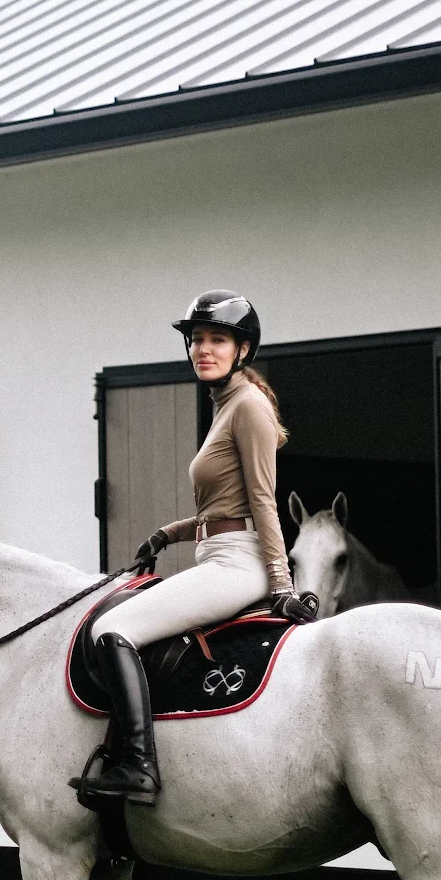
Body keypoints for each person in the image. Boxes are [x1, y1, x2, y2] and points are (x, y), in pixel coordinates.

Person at [79, 292, 317, 808]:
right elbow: (220, 508)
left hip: (238, 563)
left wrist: (281, 583)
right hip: (218, 551)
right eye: (197, 340)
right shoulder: (226, 403)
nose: (203, 349)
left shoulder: (248, 406)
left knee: (112, 630)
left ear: (243, 349)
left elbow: (261, 501)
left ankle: (138, 766)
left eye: (217, 340)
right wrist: (168, 533)